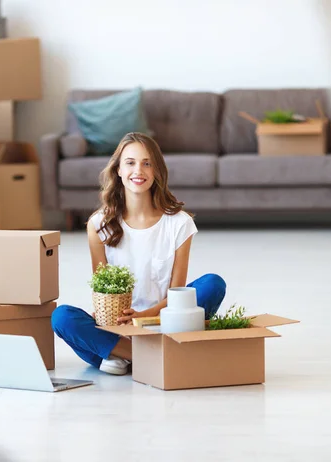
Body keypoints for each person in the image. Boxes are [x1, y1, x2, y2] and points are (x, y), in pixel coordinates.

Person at [51, 132, 226, 375]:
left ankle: (120, 355)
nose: (138, 171)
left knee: (213, 284)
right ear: (118, 171)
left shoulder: (179, 223)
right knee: (62, 317)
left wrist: (144, 315)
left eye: (147, 163)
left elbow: (178, 294)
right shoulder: (99, 224)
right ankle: (146, 354)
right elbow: (103, 289)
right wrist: (108, 317)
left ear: (157, 171)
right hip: (118, 328)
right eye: (130, 163)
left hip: (164, 322)